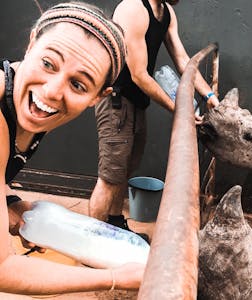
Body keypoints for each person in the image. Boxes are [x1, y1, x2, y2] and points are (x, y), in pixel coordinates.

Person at [0, 2, 145, 294]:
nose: (52, 91)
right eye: (48, 63)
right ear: (32, 44)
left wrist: (10, 202)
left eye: (78, 85)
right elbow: (3, 268)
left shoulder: (21, 105)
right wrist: (116, 277)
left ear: (98, 97)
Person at [89, 0, 219, 234]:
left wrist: (208, 94)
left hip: (137, 103)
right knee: (109, 178)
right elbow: (139, 75)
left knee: (125, 170)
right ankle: (91, 244)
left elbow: (182, 59)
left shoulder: (166, 12)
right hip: (116, 101)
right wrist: (180, 109)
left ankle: (116, 224)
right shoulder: (133, 9)